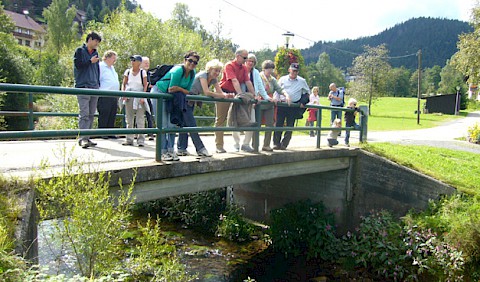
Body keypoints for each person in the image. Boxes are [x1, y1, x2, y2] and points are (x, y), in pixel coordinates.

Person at [177, 59, 233, 156]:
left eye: (219, 71)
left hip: (192, 100)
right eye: (215, 70)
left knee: (185, 123)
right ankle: (200, 149)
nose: (217, 73)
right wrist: (223, 95)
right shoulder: (203, 75)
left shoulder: (214, 79)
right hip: (185, 99)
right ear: (210, 69)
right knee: (191, 124)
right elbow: (207, 92)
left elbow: (219, 92)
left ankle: (181, 148)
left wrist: (227, 95)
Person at [156, 51, 203, 161]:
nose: (192, 63)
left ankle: (171, 150)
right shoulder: (178, 70)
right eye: (190, 60)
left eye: (195, 62)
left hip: (173, 97)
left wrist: (180, 89)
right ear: (185, 60)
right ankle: (163, 151)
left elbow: (188, 90)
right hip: (160, 93)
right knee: (163, 124)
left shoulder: (192, 73)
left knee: (172, 123)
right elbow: (171, 88)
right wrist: (181, 89)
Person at [216, 48, 255, 153]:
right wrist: (240, 94)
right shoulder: (229, 65)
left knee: (237, 118)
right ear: (238, 56)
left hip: (235, 95)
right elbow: (234, 80)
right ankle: (219, 146)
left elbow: (248, 82)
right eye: (244, 58)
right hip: (224, 93)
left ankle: (241, 144)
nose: (246, 60)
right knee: (220, 119)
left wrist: (254, 95)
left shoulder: (244, 68)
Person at [232, 53, 273, 152]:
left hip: (251, 100)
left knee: (252, 121)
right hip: (240, 98)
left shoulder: (255, 73)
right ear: (245, 61)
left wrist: (266, 97)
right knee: (235, 121)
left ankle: (246, 144)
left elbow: (259, 86)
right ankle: (236, 144)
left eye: (252, 61)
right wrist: (239, 95)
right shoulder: (241, 70)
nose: (250, 63)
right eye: (249, 60)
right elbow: (235, 82)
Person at [73, 31, 102, 148]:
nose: (96, 44)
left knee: (91, 114)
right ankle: (83, 138)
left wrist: (98, 83)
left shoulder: (96, 53)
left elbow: (97, 70)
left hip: (94, 87)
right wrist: (90, 61)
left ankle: (87, 137)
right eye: (96, 41)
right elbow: (78, 65)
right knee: (84, 113)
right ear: (90, 39)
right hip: (83, 86)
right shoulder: (79, 51)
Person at [273, 63, 310, 150]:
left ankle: (284, 144)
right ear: (289, 70)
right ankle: (276, 143)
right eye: (293, 70)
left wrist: (302, 101)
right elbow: (277, 90)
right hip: (282, 104)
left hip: (293, 105)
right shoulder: (282, 79)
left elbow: (307, 93)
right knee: (279, 124)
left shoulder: (302, 81)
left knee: (290, 125)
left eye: (296, 71)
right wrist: (276, 99)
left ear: (298, 72)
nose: (294, 72)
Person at [121, 55, 148, 147]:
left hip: (139, 95)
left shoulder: (142, 72)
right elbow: (124, 83)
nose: (132, 61)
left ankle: (141, 140)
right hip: (129, 95)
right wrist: (123, 94)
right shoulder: (128, 72)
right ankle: (129, 139)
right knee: (129, 118)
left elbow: (145, 85)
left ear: (139, 62)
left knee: (140, 118)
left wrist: (143, 96)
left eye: (134, 60)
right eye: (132, 60)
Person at [259, 60, 285, 151]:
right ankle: (255, 145)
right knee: (256, 124)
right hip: (259, 102)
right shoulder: (259, 77)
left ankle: (266, 145)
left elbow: (279, 89)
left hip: (269, 104)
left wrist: (286, 95)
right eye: (268, 68)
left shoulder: (272, 79)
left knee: (269, 124)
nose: (270, 71)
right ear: (264, 69)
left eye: (271, 69)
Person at [97, 50, 119, 139]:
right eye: (113, 58)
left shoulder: (112, 68)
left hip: (113, 94)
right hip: (104, 94)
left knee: (112, 114)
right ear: (107, 57)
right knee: (104, 113)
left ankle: (110, 131)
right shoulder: (101, 66)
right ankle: (102, 132)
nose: (115, 60)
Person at [140, 56, 155, 140]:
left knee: (149, 115)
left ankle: (150, 133)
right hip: (140, 95)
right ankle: (138, 133)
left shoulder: (151, 74)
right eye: (145, 62)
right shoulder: (139, 73)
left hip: (149, 96)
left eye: (148, 63)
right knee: (139, 115)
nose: (147, 64)